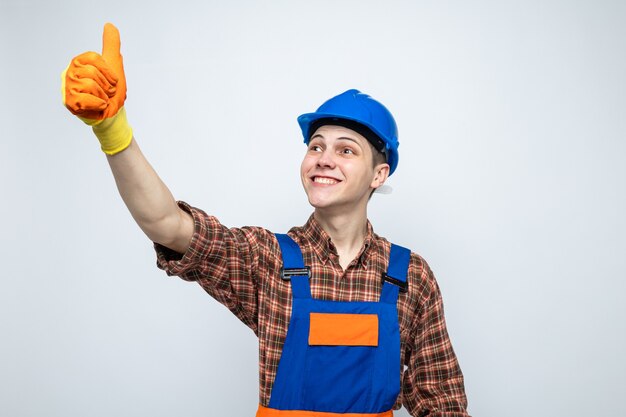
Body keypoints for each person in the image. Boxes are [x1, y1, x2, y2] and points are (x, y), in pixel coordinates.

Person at [62, 23, 470, 417]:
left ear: (378, 175)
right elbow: (167, 224)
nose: (323, 159)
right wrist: (113, 133)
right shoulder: (268, 260)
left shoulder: (409, 277)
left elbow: (444, 405)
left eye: (346, 150)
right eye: (316, 146)